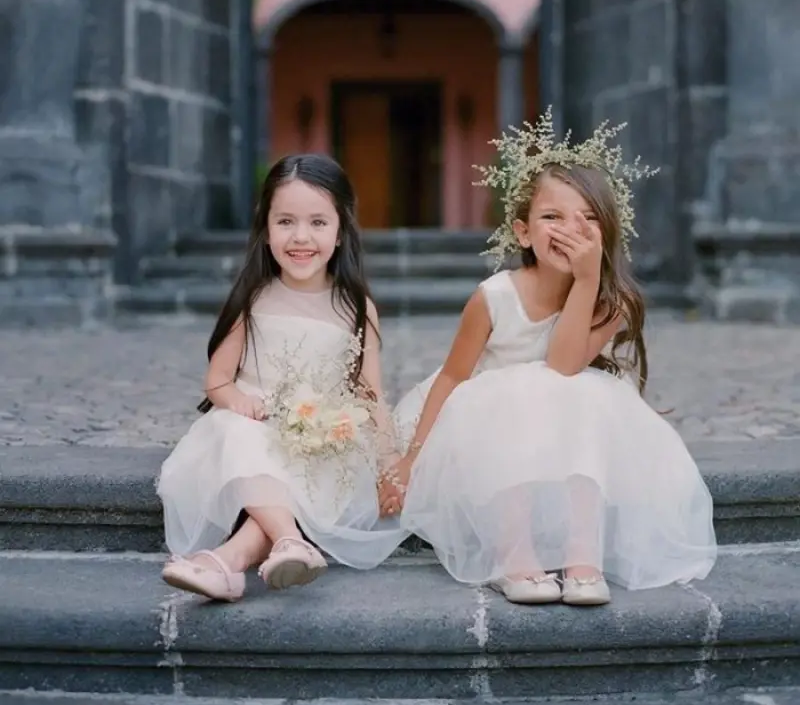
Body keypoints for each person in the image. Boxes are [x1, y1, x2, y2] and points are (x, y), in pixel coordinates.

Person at [379, 111, 717, 606]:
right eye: (552, 218)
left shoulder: (609, 302)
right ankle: (513, 558)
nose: (568, 231)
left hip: (563, 422)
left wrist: (585, 282)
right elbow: (453, 377)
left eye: (586, 219)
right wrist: (411, 459)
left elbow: (562, 366)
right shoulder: (494, 296)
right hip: (481, 426)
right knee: (522, 395)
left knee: (579, 392)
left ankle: (584, 559)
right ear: (523, 232)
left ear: (605, 234)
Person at [158, 154, 401, 602]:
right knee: (242, 435)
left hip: (324, 442)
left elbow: (370, 394)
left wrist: (389, 466)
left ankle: (229, 562)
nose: (301, 237)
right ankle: (287, 541)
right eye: (286, 221)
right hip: (255, 428)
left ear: (341, 229)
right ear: (266, 228)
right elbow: (217, 381)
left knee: (317, 462)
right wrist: (238, 402)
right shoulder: (253, 300)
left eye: (317, 222)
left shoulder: (356, 307)